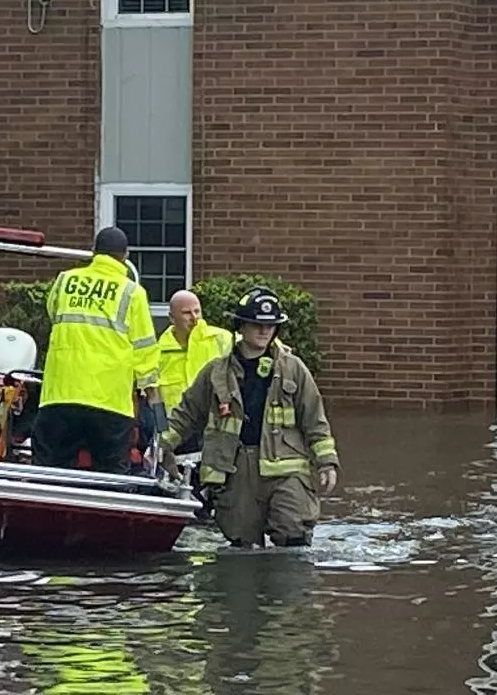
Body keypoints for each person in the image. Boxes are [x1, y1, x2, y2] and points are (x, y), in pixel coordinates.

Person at [155, 287, 340, 547]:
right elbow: (185, 416)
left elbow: (314, 418)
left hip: (286, 471)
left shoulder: (293, 369)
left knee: (293, 536)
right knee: (243, 545)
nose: (265, 332)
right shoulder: (216, 373)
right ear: (241, 326)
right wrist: (162, 446)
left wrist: (327, 461)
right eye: (257, 325)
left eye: (270, 326)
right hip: (236, 471)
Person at [33, 226, 160, 475]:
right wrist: (152, 396)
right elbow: (144, 348)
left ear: (94, 252)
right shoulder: (132, 292)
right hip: (110, 403)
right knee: (111, 480)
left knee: (49, 475)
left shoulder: (65, 280)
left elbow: (53, 314)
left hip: (60, 396)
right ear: (125, 256)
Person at [152, 289, 233, 452]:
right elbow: (154, 398)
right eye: (186, 313)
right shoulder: (158, 353)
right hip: (177, 433)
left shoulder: (220, 339)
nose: (194, 318)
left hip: (214, 429)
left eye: (197, 311)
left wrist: (279, 348)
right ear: (171, 318)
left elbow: (251, 345)